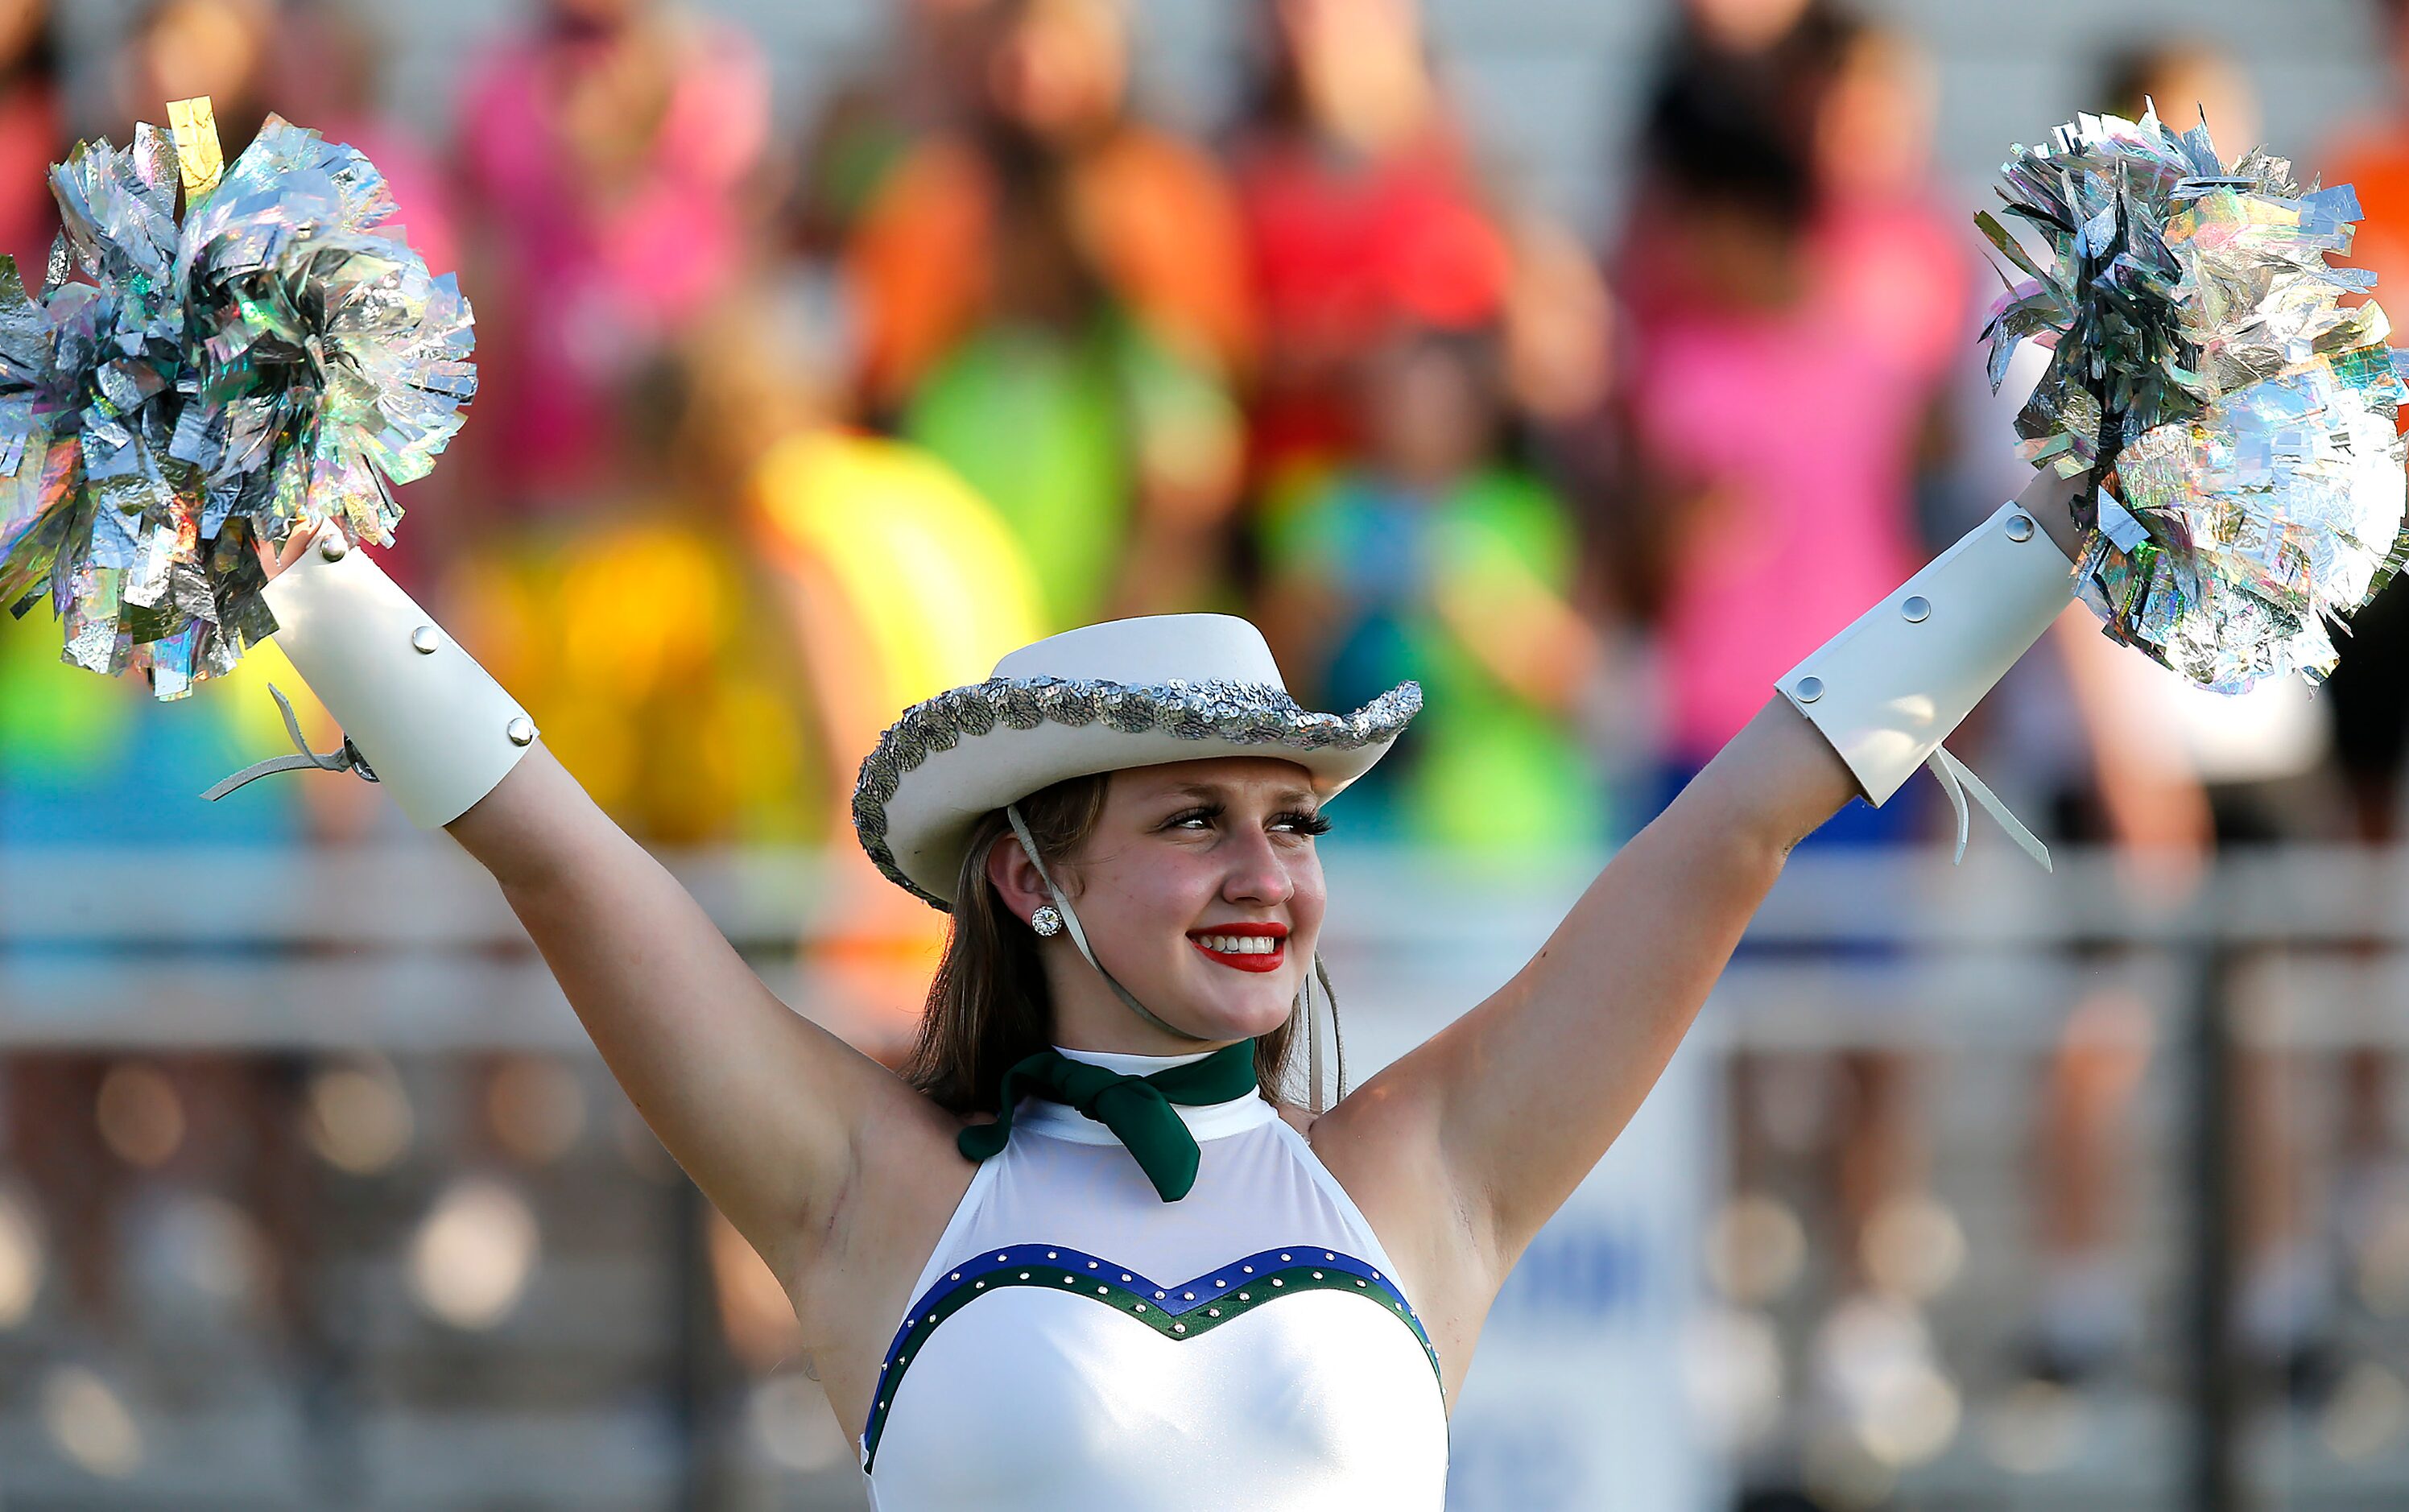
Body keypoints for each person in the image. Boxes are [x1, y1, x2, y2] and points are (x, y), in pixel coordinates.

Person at [208, 328, 2097, 1502]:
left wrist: (2078, 510)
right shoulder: (874, 1191)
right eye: (1194, 823)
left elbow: (1734, 828)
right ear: (1027, 877)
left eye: (1290, 824)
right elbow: (559, 853)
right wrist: (269, 544)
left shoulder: (1425, 1171)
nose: (1266, 872)